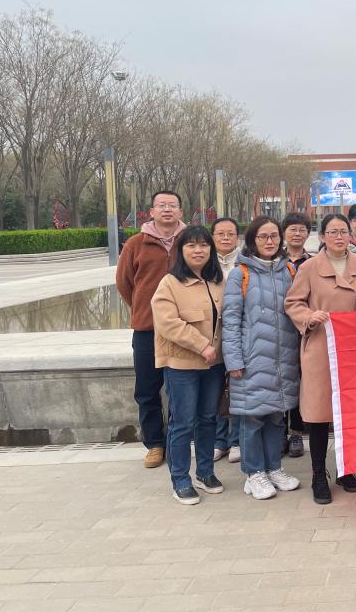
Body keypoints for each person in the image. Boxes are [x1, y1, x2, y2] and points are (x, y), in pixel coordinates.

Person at [285, 213, 356, 504]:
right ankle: (318, 475)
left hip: (353, 351)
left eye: (343, 231)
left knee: (350, 415)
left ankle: (347, 469)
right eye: (332, 232)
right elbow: (293, 302)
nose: (339, 237)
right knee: (320, 416)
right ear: (322, 237)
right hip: (320, 348)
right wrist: (309, 316)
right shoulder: (310, 268)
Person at [222, 216, 302, 501]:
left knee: (277, 417)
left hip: (283, 359)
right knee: (252, 418)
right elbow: (231, 321)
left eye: (274, 236)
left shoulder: (289, 270)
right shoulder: (240, 274)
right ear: (252, 240)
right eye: (263, 237)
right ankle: (253, 472)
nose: (270, 241)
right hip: (252, 359)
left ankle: (273, 467)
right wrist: (234, 361)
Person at [150, 226, 226, 505]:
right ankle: (180, 479)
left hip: (214, 365)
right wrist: (201, 345)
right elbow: (167, 323)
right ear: (181, 251)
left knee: (208, 418)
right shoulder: (170, 283)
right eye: (191, 245)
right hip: (182, 365)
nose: (198, 250)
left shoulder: (218, 281)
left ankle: (205, 472)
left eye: (203, 245)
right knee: (182, 423)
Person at [116, 190, 187, 468]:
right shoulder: (136, 244)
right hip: (147, 330)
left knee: (182, 390)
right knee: (147, 390)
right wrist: (142, 309)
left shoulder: (191, 240)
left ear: (180, 211)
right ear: (152, 211)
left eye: (172, 205)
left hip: (184, 329)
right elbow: (124, 283)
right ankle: (155, 444)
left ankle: (179, 441)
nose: (167, 210)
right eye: (162, 205)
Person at [281, 212, 312, 459]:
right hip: (279, 329)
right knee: (281, 379)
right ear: (284, 233)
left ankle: (296, 433)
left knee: (301, 380)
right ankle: (278, 432)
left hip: (304, 330)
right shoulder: (274, 261)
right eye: (292, 229)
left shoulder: (313, 263)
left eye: (302, 230)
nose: (297, 234)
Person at [211, 217, 241, 464]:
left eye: (230, 233)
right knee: (216, 390)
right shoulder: (204, 263)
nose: (225, 238)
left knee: (236, 388)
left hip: (238, 333)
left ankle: (236, 441)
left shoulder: (245, 263)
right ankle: (218, 440)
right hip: (211, 336)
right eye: (220, 233)